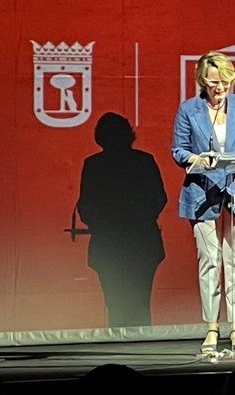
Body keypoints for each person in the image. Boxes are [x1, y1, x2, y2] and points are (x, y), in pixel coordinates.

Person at [171, 50, 235, 356]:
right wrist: (196, 158)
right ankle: (212, 326)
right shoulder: (189, 109)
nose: (219, 88)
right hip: (202, 192)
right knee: (210, 261)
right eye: (213, 83)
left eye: (224, 82)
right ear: (202, 81)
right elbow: (179, 150)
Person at [76, 112, 167, 327]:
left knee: (115, 303)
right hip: (141, 241)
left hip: (109, 242)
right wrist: (139, 219)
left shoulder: (94, 164)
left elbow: (85, 205)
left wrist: (102, 225)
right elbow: (159, 199)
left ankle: (120, 348)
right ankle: (142, 350)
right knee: (140, 302)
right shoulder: (144, 161)